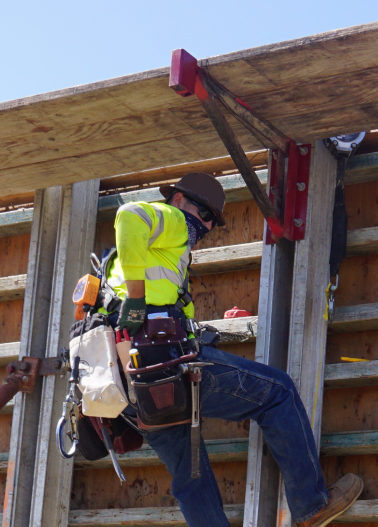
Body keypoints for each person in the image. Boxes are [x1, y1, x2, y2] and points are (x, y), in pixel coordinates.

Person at [106, 172, 362, 527]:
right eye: (205, 214)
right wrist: (136, 299)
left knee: (190, 475)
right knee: (278, 392)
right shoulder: (174, 220)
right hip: (164, 364)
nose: (207, 225)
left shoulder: (136, 262)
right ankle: (312, 505)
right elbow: (129, 215)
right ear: (179, 200)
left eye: (212, 220)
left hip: (131, 384)